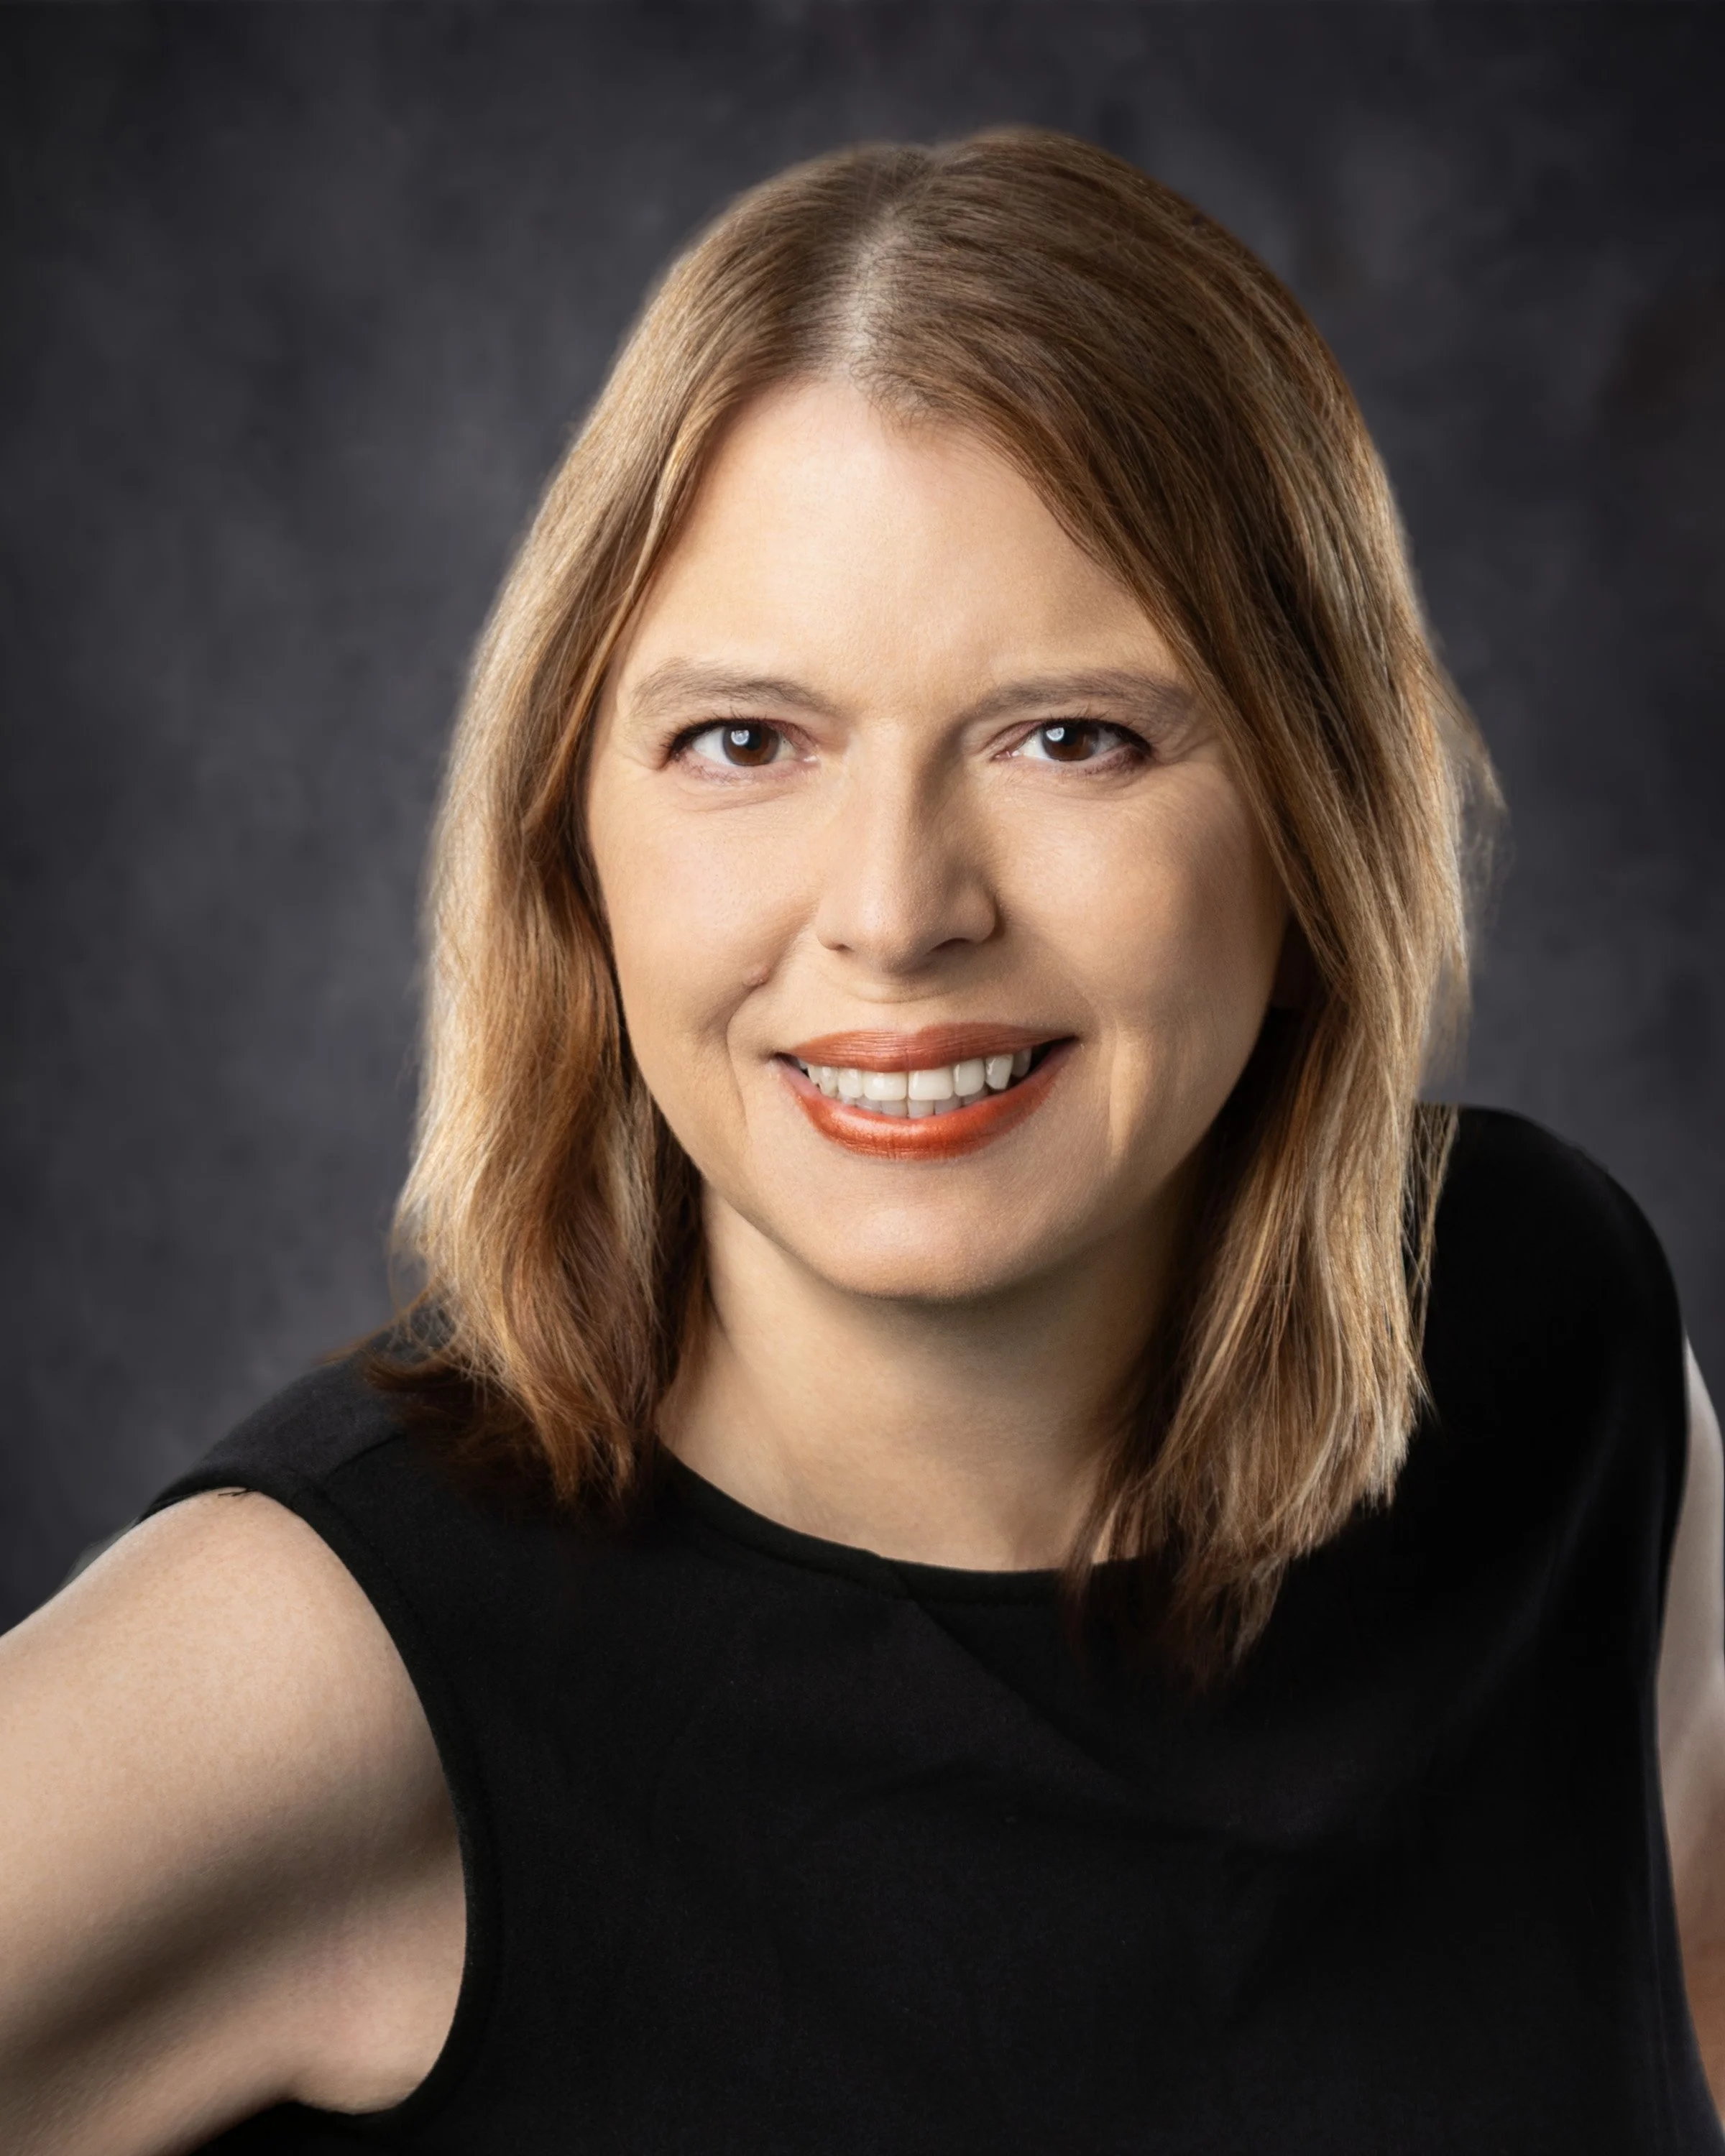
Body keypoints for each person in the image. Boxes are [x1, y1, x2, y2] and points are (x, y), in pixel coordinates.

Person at [1, 127, 1720, 2155]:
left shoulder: (1546, 1343)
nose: (898, 910)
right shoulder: (329, 1653)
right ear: (575, 838)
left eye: (1071, 736)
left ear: (1313, 812)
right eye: (748, 741)